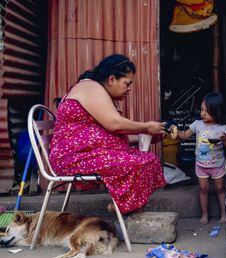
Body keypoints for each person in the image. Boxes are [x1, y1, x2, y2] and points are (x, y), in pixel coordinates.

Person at [49, 54, 167, 214]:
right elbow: (114, 124)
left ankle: (128, 207)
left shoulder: (96, 91)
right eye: (127, 83)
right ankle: (126, 207)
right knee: (141, 163)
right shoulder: (90, 87)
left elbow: (108, 135)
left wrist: (147, 136)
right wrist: (146, 128)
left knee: (149, 160)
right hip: (73, 157)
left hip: (87, 154)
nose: (129, 88)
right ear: (112, 79)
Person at [172, 92, 226, 224]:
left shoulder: (223, 128)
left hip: (217, 164)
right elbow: (184, 135)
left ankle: (224, 214)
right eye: (202, 110)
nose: (203, 113)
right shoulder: (197, 124)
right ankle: (204, 214)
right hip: (201, 165)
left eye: (207, 111)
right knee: (203, 189)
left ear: (216, 111)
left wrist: (224, 139)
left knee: (220, 188)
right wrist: (176, 131)